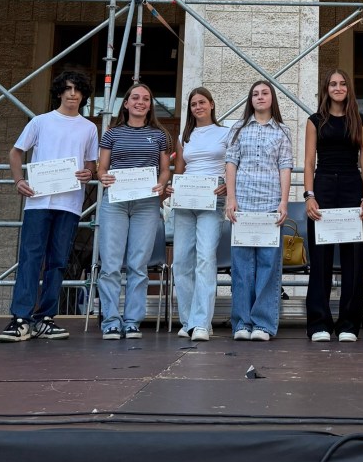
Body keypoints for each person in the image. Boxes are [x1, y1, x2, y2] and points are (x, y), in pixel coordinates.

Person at [0, 71, 98, 342]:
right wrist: (19, 180)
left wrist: (89, 172)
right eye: (67, 89)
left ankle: (45, 318)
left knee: (58, 261)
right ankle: (21, 318)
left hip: (70, 203)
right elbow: (16, 152)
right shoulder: (40, 122)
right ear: (59, 92)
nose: (72, 94)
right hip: (38, 200)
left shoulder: (89, 128)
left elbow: (91, 164)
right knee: (30, 258)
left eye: (77, 89)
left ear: (84, 95)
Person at [303, 69, 363, 343]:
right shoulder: (314, 121)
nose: (338, 87)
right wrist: (309, 195)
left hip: (351, 187)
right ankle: (319, 323)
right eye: (333, 84)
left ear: (348, 88)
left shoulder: (361, 120)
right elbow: (309, 161)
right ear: (326, 88)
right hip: (322, 188)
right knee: (320, 258)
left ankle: (348, 325)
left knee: (353, 259)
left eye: (343, 83)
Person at [97, 83, 171, 340]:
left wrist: (161, 184)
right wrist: (103, 177)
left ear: (150, 106)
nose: (141, 102)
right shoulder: (111, 134)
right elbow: (101, 168)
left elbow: (165, 170)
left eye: (146, 99)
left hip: (146, 204)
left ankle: (132, 321)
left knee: (138, 265)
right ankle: (110, 320)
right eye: (136, 98)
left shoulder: (160, 135)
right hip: (115, 202)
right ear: (126, 103)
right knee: (110, 264)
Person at [225, 80, 294, 341]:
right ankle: (242, 323)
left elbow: (285, 166)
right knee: (242, 268)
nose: (260, 97)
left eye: (265, 93)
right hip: (242, 207)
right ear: (250, 100)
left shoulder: (283, 131)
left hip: (270, 207)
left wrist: (284, 202)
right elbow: (231, 163)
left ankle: (263, 324)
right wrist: (231, 198)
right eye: (255, 94)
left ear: (272, 98)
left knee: (268, 266)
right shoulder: (238, 128)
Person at [171, 87, 231, 342]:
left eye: (202, 102)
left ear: (212, 104)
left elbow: (232, 165)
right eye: (194, 104)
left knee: (205, 258)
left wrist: (229, 185)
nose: (198, 107)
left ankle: (202, 322)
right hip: (185, 200)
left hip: (212, 199)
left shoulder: (226, 133)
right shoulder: (184, 136)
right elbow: (180, 169)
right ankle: (188, 321)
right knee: (181, 261)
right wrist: (173, 187)